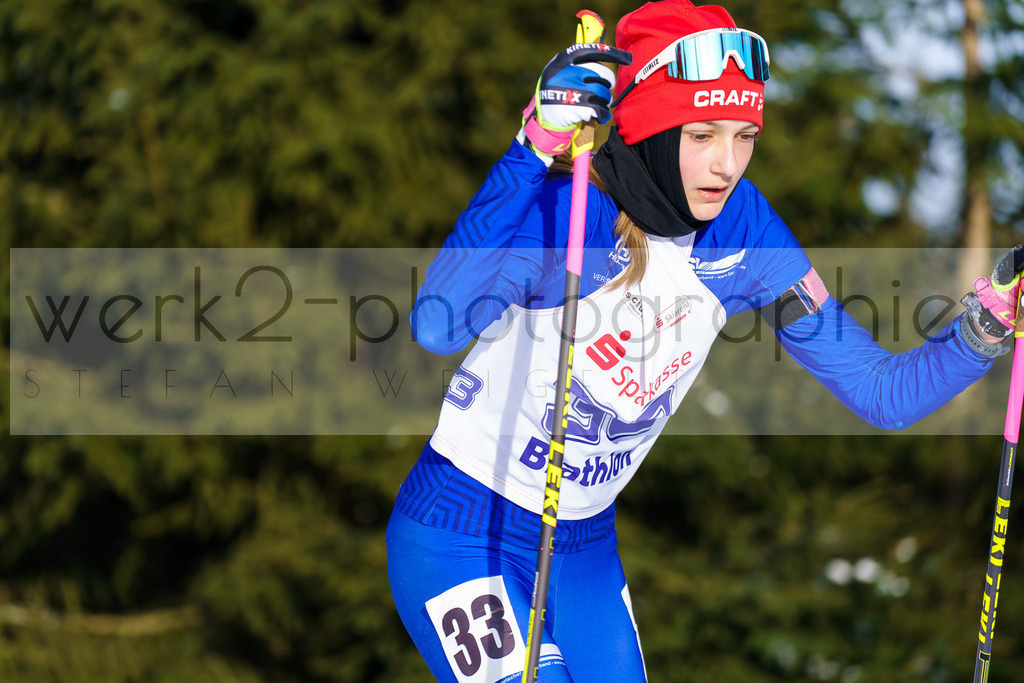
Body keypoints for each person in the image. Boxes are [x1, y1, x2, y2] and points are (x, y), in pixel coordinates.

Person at [386, 1, 1022, 681]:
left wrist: (987, 324)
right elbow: (437, 324)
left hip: (582, 551)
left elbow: (880, 392)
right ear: (655, 129)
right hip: (462, 532)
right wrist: (534, 144)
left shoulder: (743, 230)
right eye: (703, 135)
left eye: (745, 136)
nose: (727, 164)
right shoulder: (571, 211)